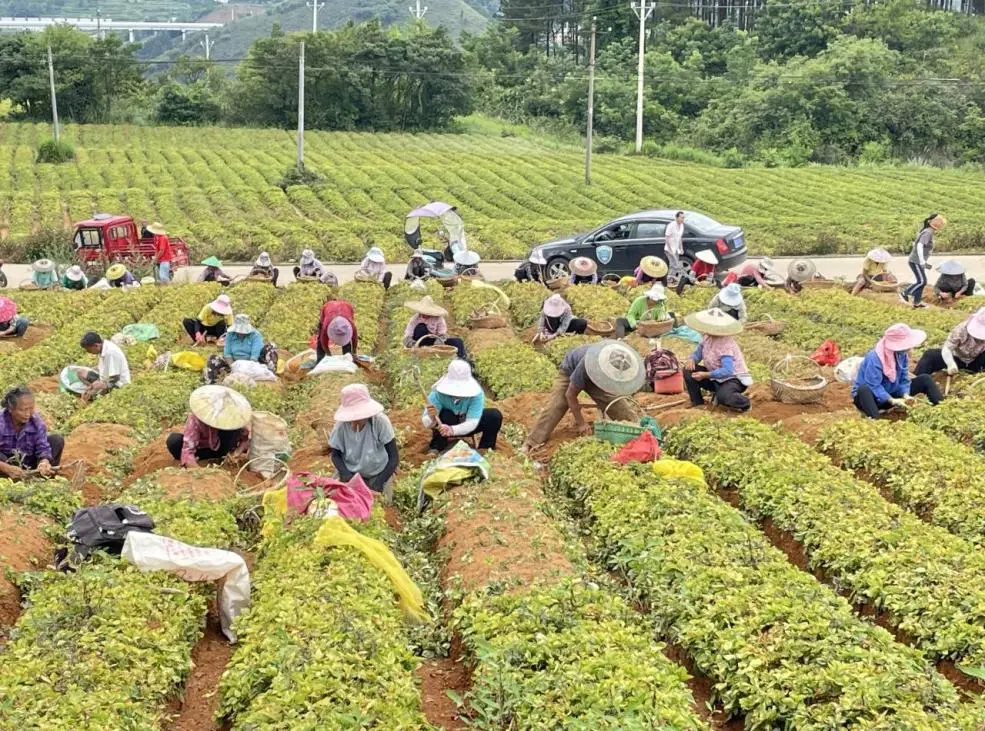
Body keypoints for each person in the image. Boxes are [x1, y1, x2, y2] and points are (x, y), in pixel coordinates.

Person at [521, 340, 644, 452]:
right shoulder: (586, 364)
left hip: (599, 375)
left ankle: (641, 432)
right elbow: (570, 394)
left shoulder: (616, 360)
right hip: (570, 371)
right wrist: (581, 423)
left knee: (617, 404)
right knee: (558, 404)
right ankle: (531, 443)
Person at [852, 323, 942, 418]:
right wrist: (891, 400)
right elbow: (873, 385)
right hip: (873, 399)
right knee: (863, 390)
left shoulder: (901, 355)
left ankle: (941, 409)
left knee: (925, 379)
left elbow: (903, 378)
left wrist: (905, 395)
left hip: (892, 392)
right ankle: (876, 420)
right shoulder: (874, 358)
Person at [330, 384, 399, 501]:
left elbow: (394, 457)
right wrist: (347, 476)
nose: (356, 419)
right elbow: (335, 455)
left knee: (382, 506)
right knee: (340, 503)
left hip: (378, 471)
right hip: (350, 471)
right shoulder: (341, 426)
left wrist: (379, 482)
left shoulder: (380, 422)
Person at [423, 359, 502, 453]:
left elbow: (472, 422)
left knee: (494, 415)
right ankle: (437, 446)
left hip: (467, 425)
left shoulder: (476, 394)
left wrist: (453, 430)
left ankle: (485, 449)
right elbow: (427, 422)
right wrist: (431, 417)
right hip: (444, 427)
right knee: (445, 414)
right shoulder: (438, 393)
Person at [683, 308, 752, 412]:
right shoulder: (707, 337)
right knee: (688, 370)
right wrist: (692, 359)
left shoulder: (725, 344)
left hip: (733, 379)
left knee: (724, 397)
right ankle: (697, 403)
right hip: (715, 377)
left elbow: (727, 371)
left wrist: (706, 375)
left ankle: (745, 403)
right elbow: (698, 353)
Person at [167, 385, 251, 468]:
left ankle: (220, 457)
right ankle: (201, 458)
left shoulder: (233, 418)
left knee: (233, 430)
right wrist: (199, 471)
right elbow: (188, 449)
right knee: (174, 441)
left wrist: (236, 454)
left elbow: (245, 439)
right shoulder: (196, 419)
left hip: (222, 449)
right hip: (201, 449)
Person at [0, 385, 62, 478]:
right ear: (10, 409)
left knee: (56, 440)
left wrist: (44, 461)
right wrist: (7, 468)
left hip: (27, 461)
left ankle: (42, 476)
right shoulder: (1, 422)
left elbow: (43, 447)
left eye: (31, 408)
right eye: (23, 410)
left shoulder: (36, 421)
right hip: (5, 463)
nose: (28, 414)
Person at [205, 314, 278, 384]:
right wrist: (233, 366)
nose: (241, 333)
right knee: (213, 359)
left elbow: (254, 356)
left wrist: (247, 369)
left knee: (270, 347)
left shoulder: (255, 335)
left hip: (253, 363)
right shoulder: (230, 334)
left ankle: (271, 372)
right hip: (234, 363)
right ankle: (211, 382)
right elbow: (227, 353)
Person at [915, 307, 985, 377]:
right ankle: (917, 382)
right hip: (957, 359)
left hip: (977, 361)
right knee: (930, 355)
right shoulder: (961, 329)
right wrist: (950, 363)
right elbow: (947, 348)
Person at [901, 213, 946, 308]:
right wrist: (921, 260)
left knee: (921, 281)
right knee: (922, 281)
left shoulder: (928, 231)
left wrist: (926, 264)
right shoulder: (928, 232)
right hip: (916, 260)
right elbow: (919, 245)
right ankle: (905, 292)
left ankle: (916, 303)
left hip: (919, 261)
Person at [79, 331, 131, 402]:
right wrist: (94, 385)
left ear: (96, 345)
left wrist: (100, 386)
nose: (88, 352)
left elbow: (115, 377)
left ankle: (94, 396)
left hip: (117, 384)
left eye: (89, 349)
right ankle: (92, 391)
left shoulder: (110, 352)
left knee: (92, 395)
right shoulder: (102, 348)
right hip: (105, 378)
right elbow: (103, 369)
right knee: (81, 372)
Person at [664, 211, 685, 280]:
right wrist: (670, 250)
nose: (682, 219)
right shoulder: (671, 225)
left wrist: (681, 248)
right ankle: (669, 279)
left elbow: (680, 238)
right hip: (669, 249)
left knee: (676, 264)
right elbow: (666, 237)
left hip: (676, 249)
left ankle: (671, 279)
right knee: (673, 264)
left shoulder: (682, 226)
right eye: (681, 217)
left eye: (683, 218)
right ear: (677, 217)